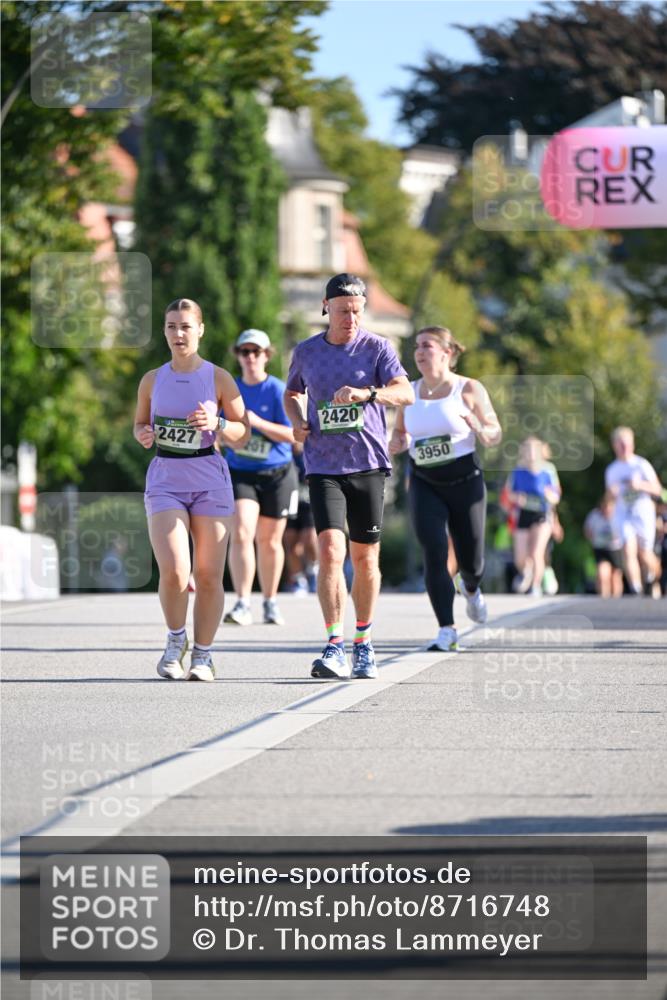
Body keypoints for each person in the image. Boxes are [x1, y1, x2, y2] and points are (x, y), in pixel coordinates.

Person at [284, 273, 414, 679]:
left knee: (365, 558)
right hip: (323, 465)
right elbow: (291, 392)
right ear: (326, 307)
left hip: (368, 465)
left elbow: (405, 392)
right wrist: (296, 421)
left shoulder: (377, 348)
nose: (351, 319)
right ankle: (334, 644)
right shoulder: (306, 352)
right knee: (329, 553)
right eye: (343, 311)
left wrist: (368, 394)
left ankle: (364, 643)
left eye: (357, 311)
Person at [134, 297, 249, 681]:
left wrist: (217, 423)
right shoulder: (152, 379)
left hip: (209, 480)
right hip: (166, 478)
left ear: (200, 329)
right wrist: (145, 434)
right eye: (171, 327)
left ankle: (203, 654)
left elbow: (242, 433)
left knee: (209, 574)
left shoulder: (218, 378)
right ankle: (175, 639)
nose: (178, 334)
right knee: (175, 571)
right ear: (164, 331)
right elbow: (138, 425)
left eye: (185, 326)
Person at [390, 326, 501, 652]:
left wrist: (481, 428)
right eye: (417, 347)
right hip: (425, 483)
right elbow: (400, 432)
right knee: (434, 552)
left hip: (466, 483)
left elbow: (494, 431)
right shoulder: (408, 392)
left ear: (447, 352)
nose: (420, 352)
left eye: (428, 346)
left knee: (472, 560)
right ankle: (446, 629)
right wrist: (396, 443)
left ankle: (471, 588)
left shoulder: (468, 389)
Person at [223, 329, 297, 626]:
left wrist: (257, 423)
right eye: (245, 352)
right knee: (241, 532)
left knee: (269, 540)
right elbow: (219, 429)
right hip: (241, 471)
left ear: (267, 356)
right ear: (238, 356)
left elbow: (294, 435)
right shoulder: (230, 390)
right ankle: (242, 602)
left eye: (257, 352)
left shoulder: (277, 390)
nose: (251, 357)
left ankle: (270, 600)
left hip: (277, 472)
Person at [604, 426, 662, 596]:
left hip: (642, 513)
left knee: (645, 553)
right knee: (628, 549)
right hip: (623, 514)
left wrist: (641, 485)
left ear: (632, 444)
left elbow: (658, 490)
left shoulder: (641, 465)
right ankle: (636, 588)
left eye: (627, 443)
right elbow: (608, 499)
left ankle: (655, 576)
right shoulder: (612, 470)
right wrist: (611, 494)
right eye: (620, 444)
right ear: (614, 445)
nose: (624, 447)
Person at [506, 437, 561, 596]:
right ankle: (526, 572)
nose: (531, 454)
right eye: (527, 450)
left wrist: (550, 495)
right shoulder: (517, 471)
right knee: (520, 557)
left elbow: (556, 495)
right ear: (523, 452)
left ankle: (536, 586)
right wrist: (517, 498)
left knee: (537, 552)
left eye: (534, 450)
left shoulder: (548, 470)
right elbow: (509, 494)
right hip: (523, 514)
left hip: (542, 514)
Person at [283, 444, 319, 595]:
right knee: (291, 543)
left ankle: (314, 570)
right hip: (290, 500)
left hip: (309, 500)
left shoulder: (312, 450)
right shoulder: (283, 451)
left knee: (310, 537)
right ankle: (298, 579)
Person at [584, 492, 623, 597]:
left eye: (609, 507)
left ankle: (616, 600)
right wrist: (592, 538)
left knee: (615, 576)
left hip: (615, 549)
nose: (607, 510)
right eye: (604, 506)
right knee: (602, 574)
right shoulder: (594, 516)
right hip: (600, 548)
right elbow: (587, 531)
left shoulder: (619, 516)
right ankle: (603, 597)